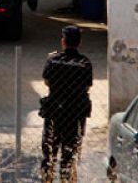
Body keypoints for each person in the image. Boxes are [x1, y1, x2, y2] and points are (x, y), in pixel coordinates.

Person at [40, 25, 93, 183]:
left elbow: (47, 81)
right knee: (69, 153)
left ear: (63, 41)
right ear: (79, 42)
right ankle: (66, 179)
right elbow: (87, 86)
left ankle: (47, 179)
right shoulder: (84, 62)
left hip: (55, 111)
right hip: (75, 113)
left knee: (49, 152)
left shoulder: (53, 59)